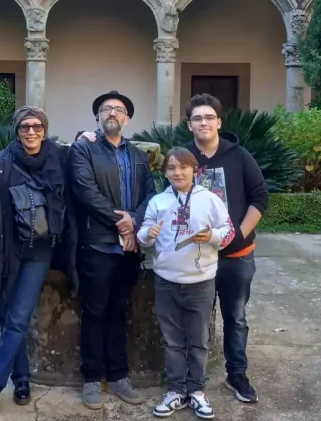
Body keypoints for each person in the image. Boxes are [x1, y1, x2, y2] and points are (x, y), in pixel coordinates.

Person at [0, 106, 77, 420]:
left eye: (37, 127)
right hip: (7, 250)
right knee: (7, 321)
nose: (31, 132)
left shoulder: (59, 158)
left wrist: (88, 136)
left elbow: (87, 155)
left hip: (39, 252)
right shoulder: (0, 165)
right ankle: (21, 381)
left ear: (45, 129)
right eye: (24, 128)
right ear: (16, 131)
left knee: (17, 320)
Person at [68, 90, 157, 410]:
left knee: (120, 310)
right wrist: (121, 222)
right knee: (94, 311)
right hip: (98, 245)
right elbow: (84, 191)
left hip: (130, 247)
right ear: (98, 117)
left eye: (118, 110)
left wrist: (133, 220)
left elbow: (151, 195)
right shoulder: (84, 149)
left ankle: (119, 376)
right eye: (106, 109)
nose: (112, 114)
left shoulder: (137, 154)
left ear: (127, 119)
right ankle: (92, 379)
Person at [137, 147, 235, 419]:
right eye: (171, 168)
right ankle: (176, 391)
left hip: (200, 283)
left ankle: (197, 390)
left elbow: (229, 232)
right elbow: (143, 237)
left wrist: (212, 235)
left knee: (199, 340)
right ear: (165, 172)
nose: (177, 173)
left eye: (183, 167)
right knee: (171, 341)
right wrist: (148, 233)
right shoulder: (158, 202)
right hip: (166, 281)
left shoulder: (210, 199)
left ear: (195, 170)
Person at [184, 93, 269, 403]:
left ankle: (237, 374)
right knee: (194, 320)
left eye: (209, 117)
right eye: (197, 118)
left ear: (219, 122)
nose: (203, 122)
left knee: (236, 317)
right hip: (196, 257)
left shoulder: (239, 156)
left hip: (236, 256)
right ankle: (192, 380)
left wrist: (238, 235)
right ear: (189, 124)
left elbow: (260, 198)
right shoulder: (183, 160)